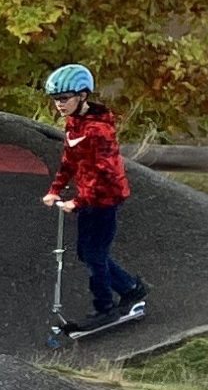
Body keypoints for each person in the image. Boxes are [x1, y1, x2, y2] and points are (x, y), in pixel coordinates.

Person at [40, 64, 147, 330]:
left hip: (106, 199)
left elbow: (104, 174)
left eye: (64, 99)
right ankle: (131, 289)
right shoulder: (74, 123)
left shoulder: (99, 130)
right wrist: (55, 189)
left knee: (95, 254)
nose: (59, 105)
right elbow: (69, 161)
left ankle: (105, 308)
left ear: (83, 96)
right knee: (85, 253)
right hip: (90, 198)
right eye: (56, 100)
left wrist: (78, 201)